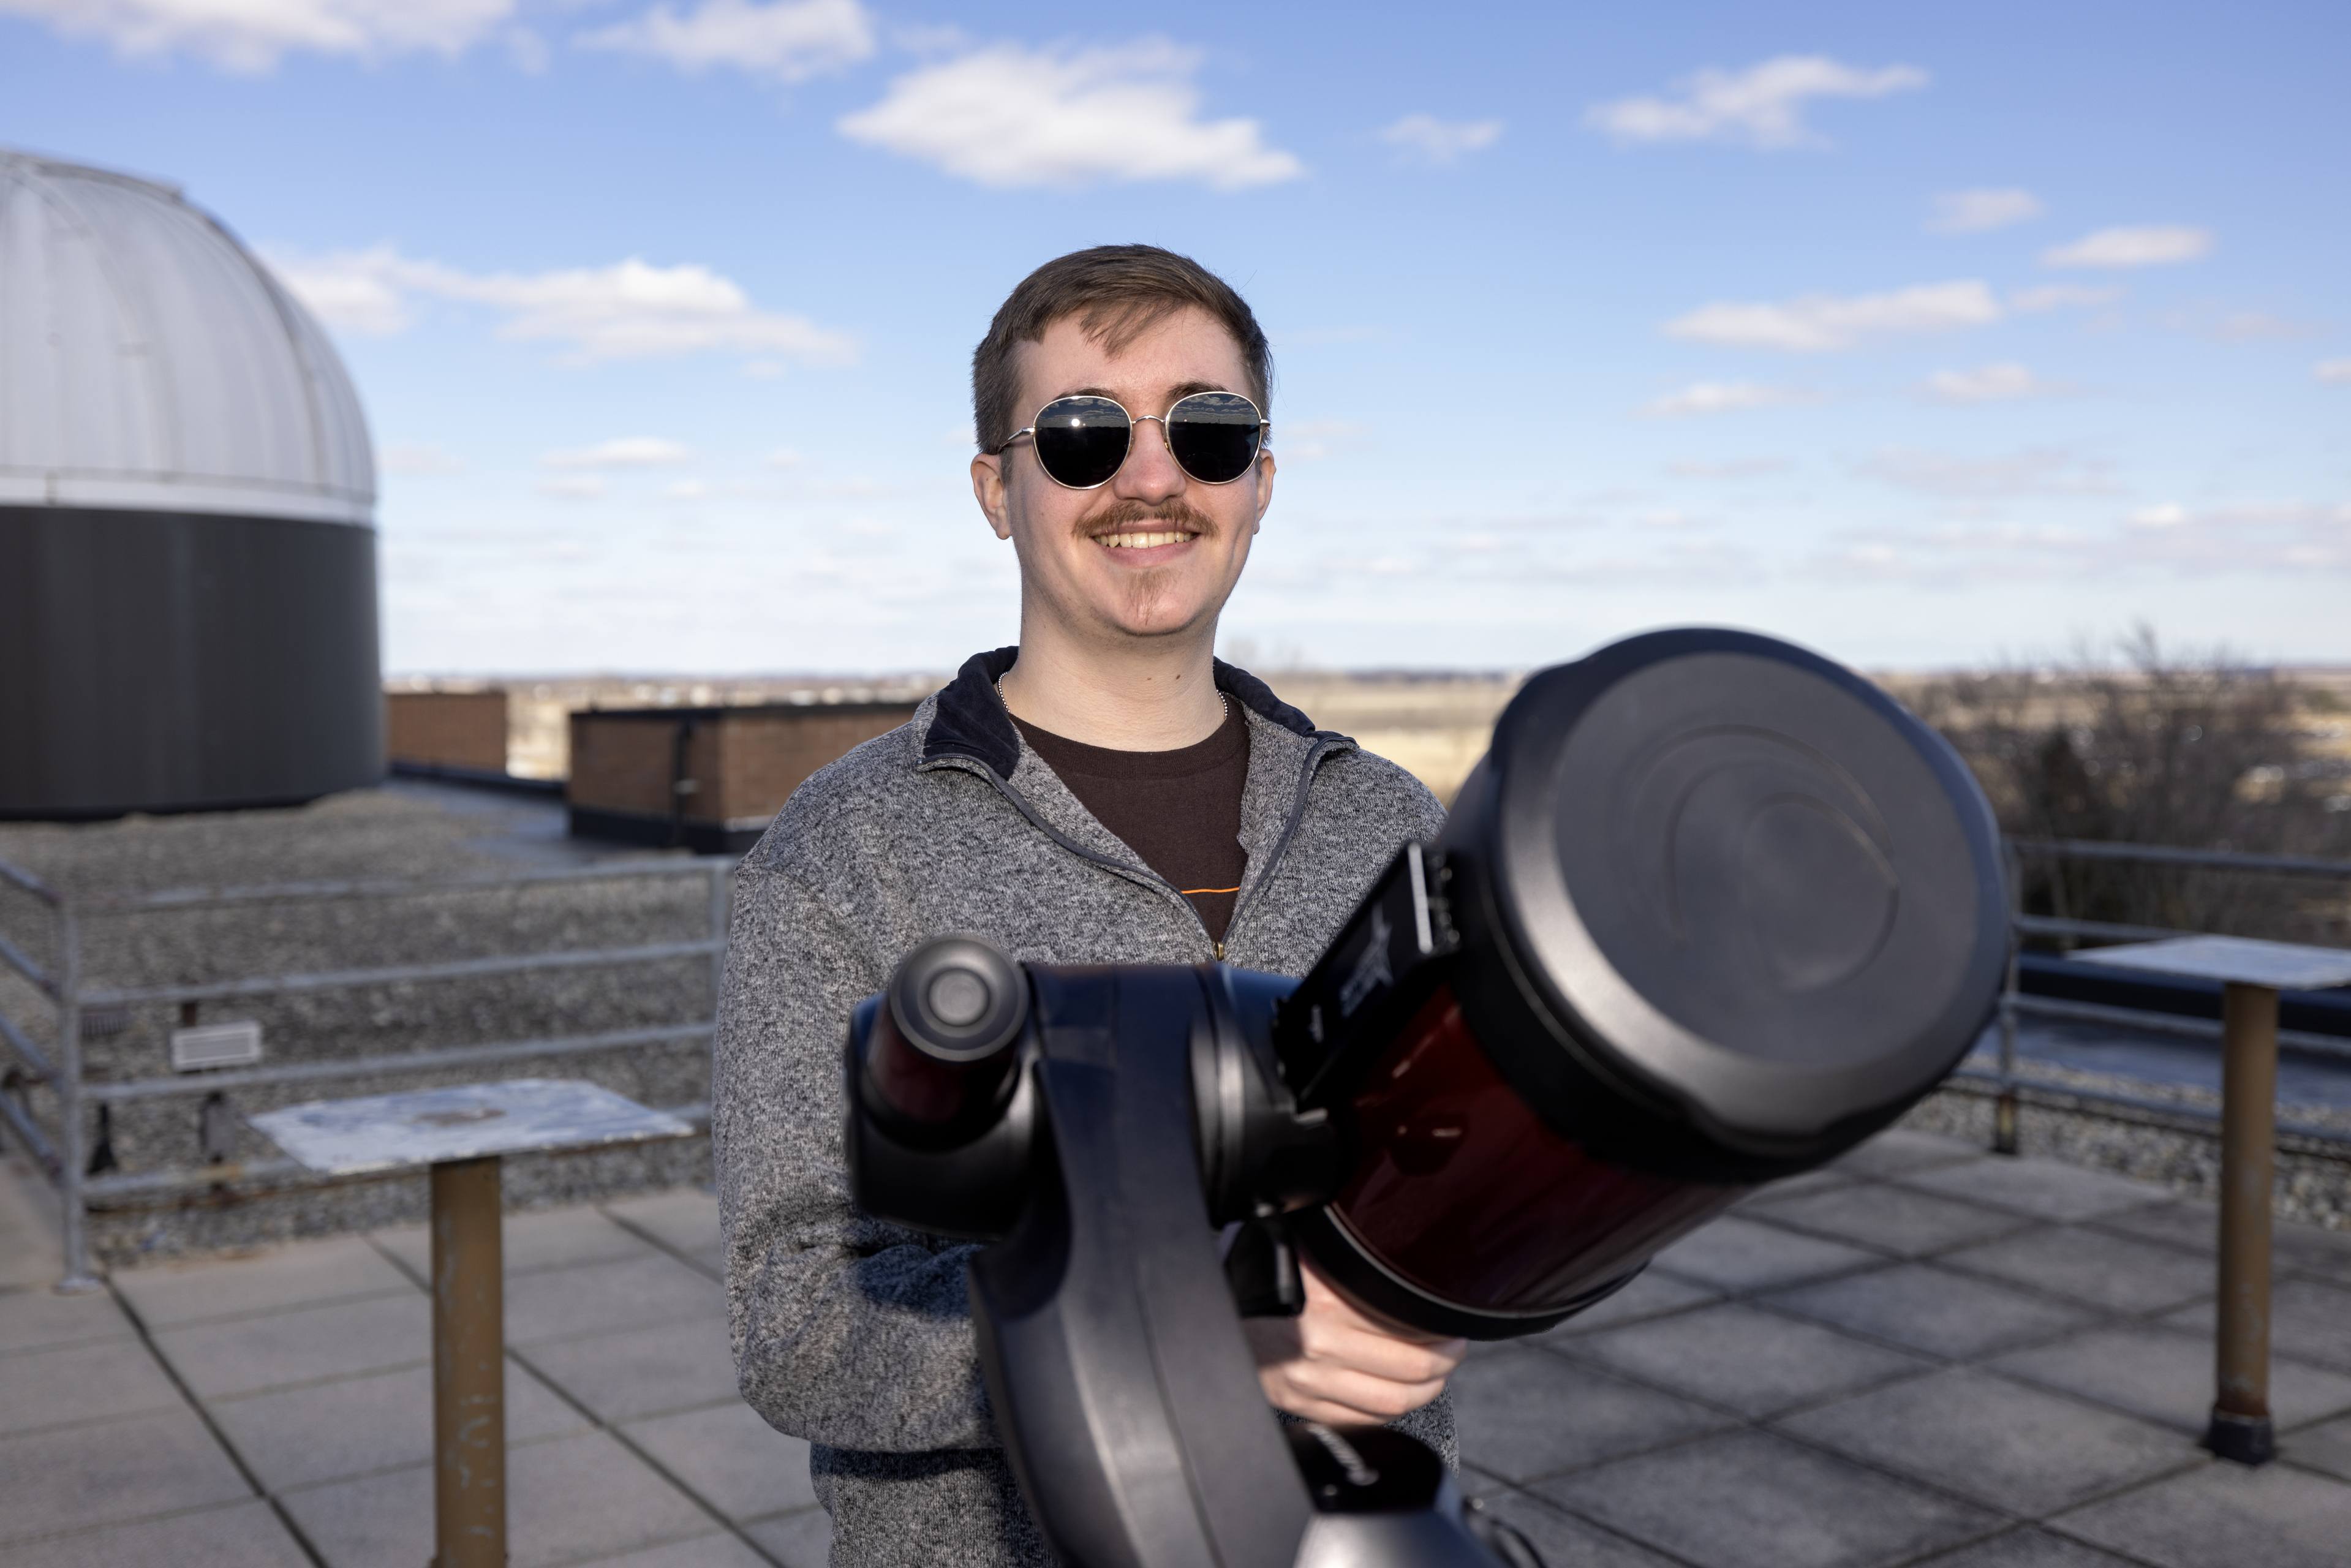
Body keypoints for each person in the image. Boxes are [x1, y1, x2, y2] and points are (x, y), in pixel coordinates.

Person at [714, 244, 1467, 1567]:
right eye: (1078, 435)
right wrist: (1187, 1337)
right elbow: (797, 1323)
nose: (1150, 475)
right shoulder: (840, 855)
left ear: (1260, 482)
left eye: (1207, 428)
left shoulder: (1384, 825)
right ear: (995, 491)